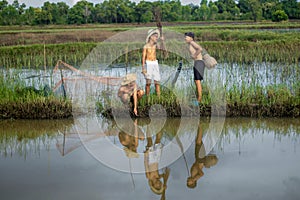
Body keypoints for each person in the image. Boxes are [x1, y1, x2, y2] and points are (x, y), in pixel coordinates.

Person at [187, 120, 218, 189]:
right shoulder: (195, 178)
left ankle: (200, 125)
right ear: (193, 183)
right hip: (200, 159)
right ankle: (200, 125)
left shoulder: (192, 176)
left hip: (198, 159)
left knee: (198, 142)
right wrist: (197, 167)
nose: (187, 181)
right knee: (198, 142)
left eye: (187, 182)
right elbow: (202, 174)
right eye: (189, 182)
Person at [142, 29, 166, 97]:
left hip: (155, 63)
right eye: (155, 36)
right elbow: (143, 58)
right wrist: (143, 68)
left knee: (157, 82)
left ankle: (158, 97)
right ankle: (147, 97)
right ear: (151, 37)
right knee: (148, 82)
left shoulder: (156, 45)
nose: (156, 38)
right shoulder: (146, 46)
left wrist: (162, 41)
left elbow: (162, 50)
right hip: (148, 63)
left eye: (157, 36)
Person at [184, 32, 205, 103]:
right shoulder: (190, 44)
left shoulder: (192, 43)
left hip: (199, 62)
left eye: (186, 37)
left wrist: (194, 55)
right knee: (196, 81)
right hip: (197, 62)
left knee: (197, 81)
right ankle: (199, 97)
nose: (185, 38)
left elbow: (200, 49)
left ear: (191, 38)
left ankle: (199, 99)